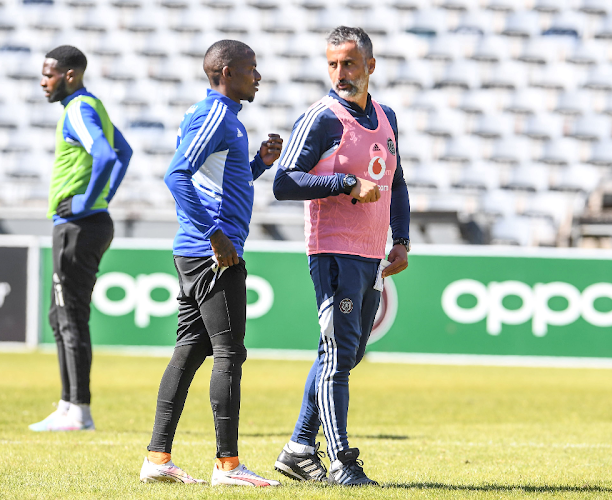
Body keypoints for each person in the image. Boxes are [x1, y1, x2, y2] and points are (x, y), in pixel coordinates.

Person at [139, 40, 283, 487]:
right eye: (250, 69)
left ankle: (158, 458)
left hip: (201, 250)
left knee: (190, 350)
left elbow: (218, 179)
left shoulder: (227, 119)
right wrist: (215, 235)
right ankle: (228, 466)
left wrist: (260, 163)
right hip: (212, 253)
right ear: (225, 71)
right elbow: (176, 173)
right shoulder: (217, 114)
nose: (257, 76)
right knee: (229, 352)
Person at [271, 26, 411, 486]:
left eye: (349, 63)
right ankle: (341, 462)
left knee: (344, 354)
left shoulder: (387, 117)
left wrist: (401, 239)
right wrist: (345, 183)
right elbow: (283, 182)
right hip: (332, 251)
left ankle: (297, 448)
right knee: (337, 354)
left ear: (370, 66)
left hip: (371, 255)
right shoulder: (321, 118)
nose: (340, 73)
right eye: (332, 64)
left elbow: (398, 182)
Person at [29, 45, 133, 432]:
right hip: (87, 223)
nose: (43, 81)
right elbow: (125, 150)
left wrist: (89, 202)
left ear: (69, 75)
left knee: (70, 317)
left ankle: (79, 412)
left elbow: (106, 155)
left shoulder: (78, 109)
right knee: (61, 316)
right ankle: (68, 405)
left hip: (78, 225)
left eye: (49, 74)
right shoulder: (92, 106)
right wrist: (102, 200)